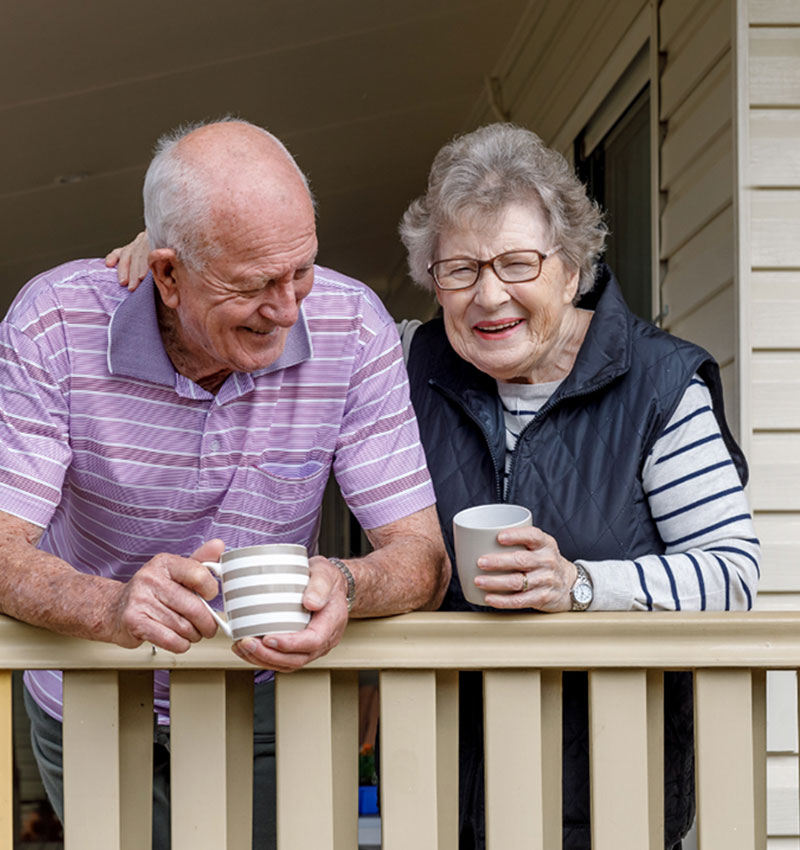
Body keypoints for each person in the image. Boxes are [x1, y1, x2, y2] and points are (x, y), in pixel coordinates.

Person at [108, 123, 759, 849]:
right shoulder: (403, 361)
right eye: (460, 270)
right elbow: (266, 298)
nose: (489, 297)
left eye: (517, 263)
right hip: (436, 791)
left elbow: (732, 577)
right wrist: (177, 266)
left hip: (610, 794)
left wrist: (579, 585)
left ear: (571, 268)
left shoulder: (660, 385)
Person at [0, 119, 448, 850]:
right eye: (253, 286)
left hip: (265, 694)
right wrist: (113, 607)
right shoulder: (54, 322)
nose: (287, 310)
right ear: (166, 274)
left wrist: (345, 586)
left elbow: (423, 560)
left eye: (302, 272)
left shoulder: (353, 328)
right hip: (89, 687)